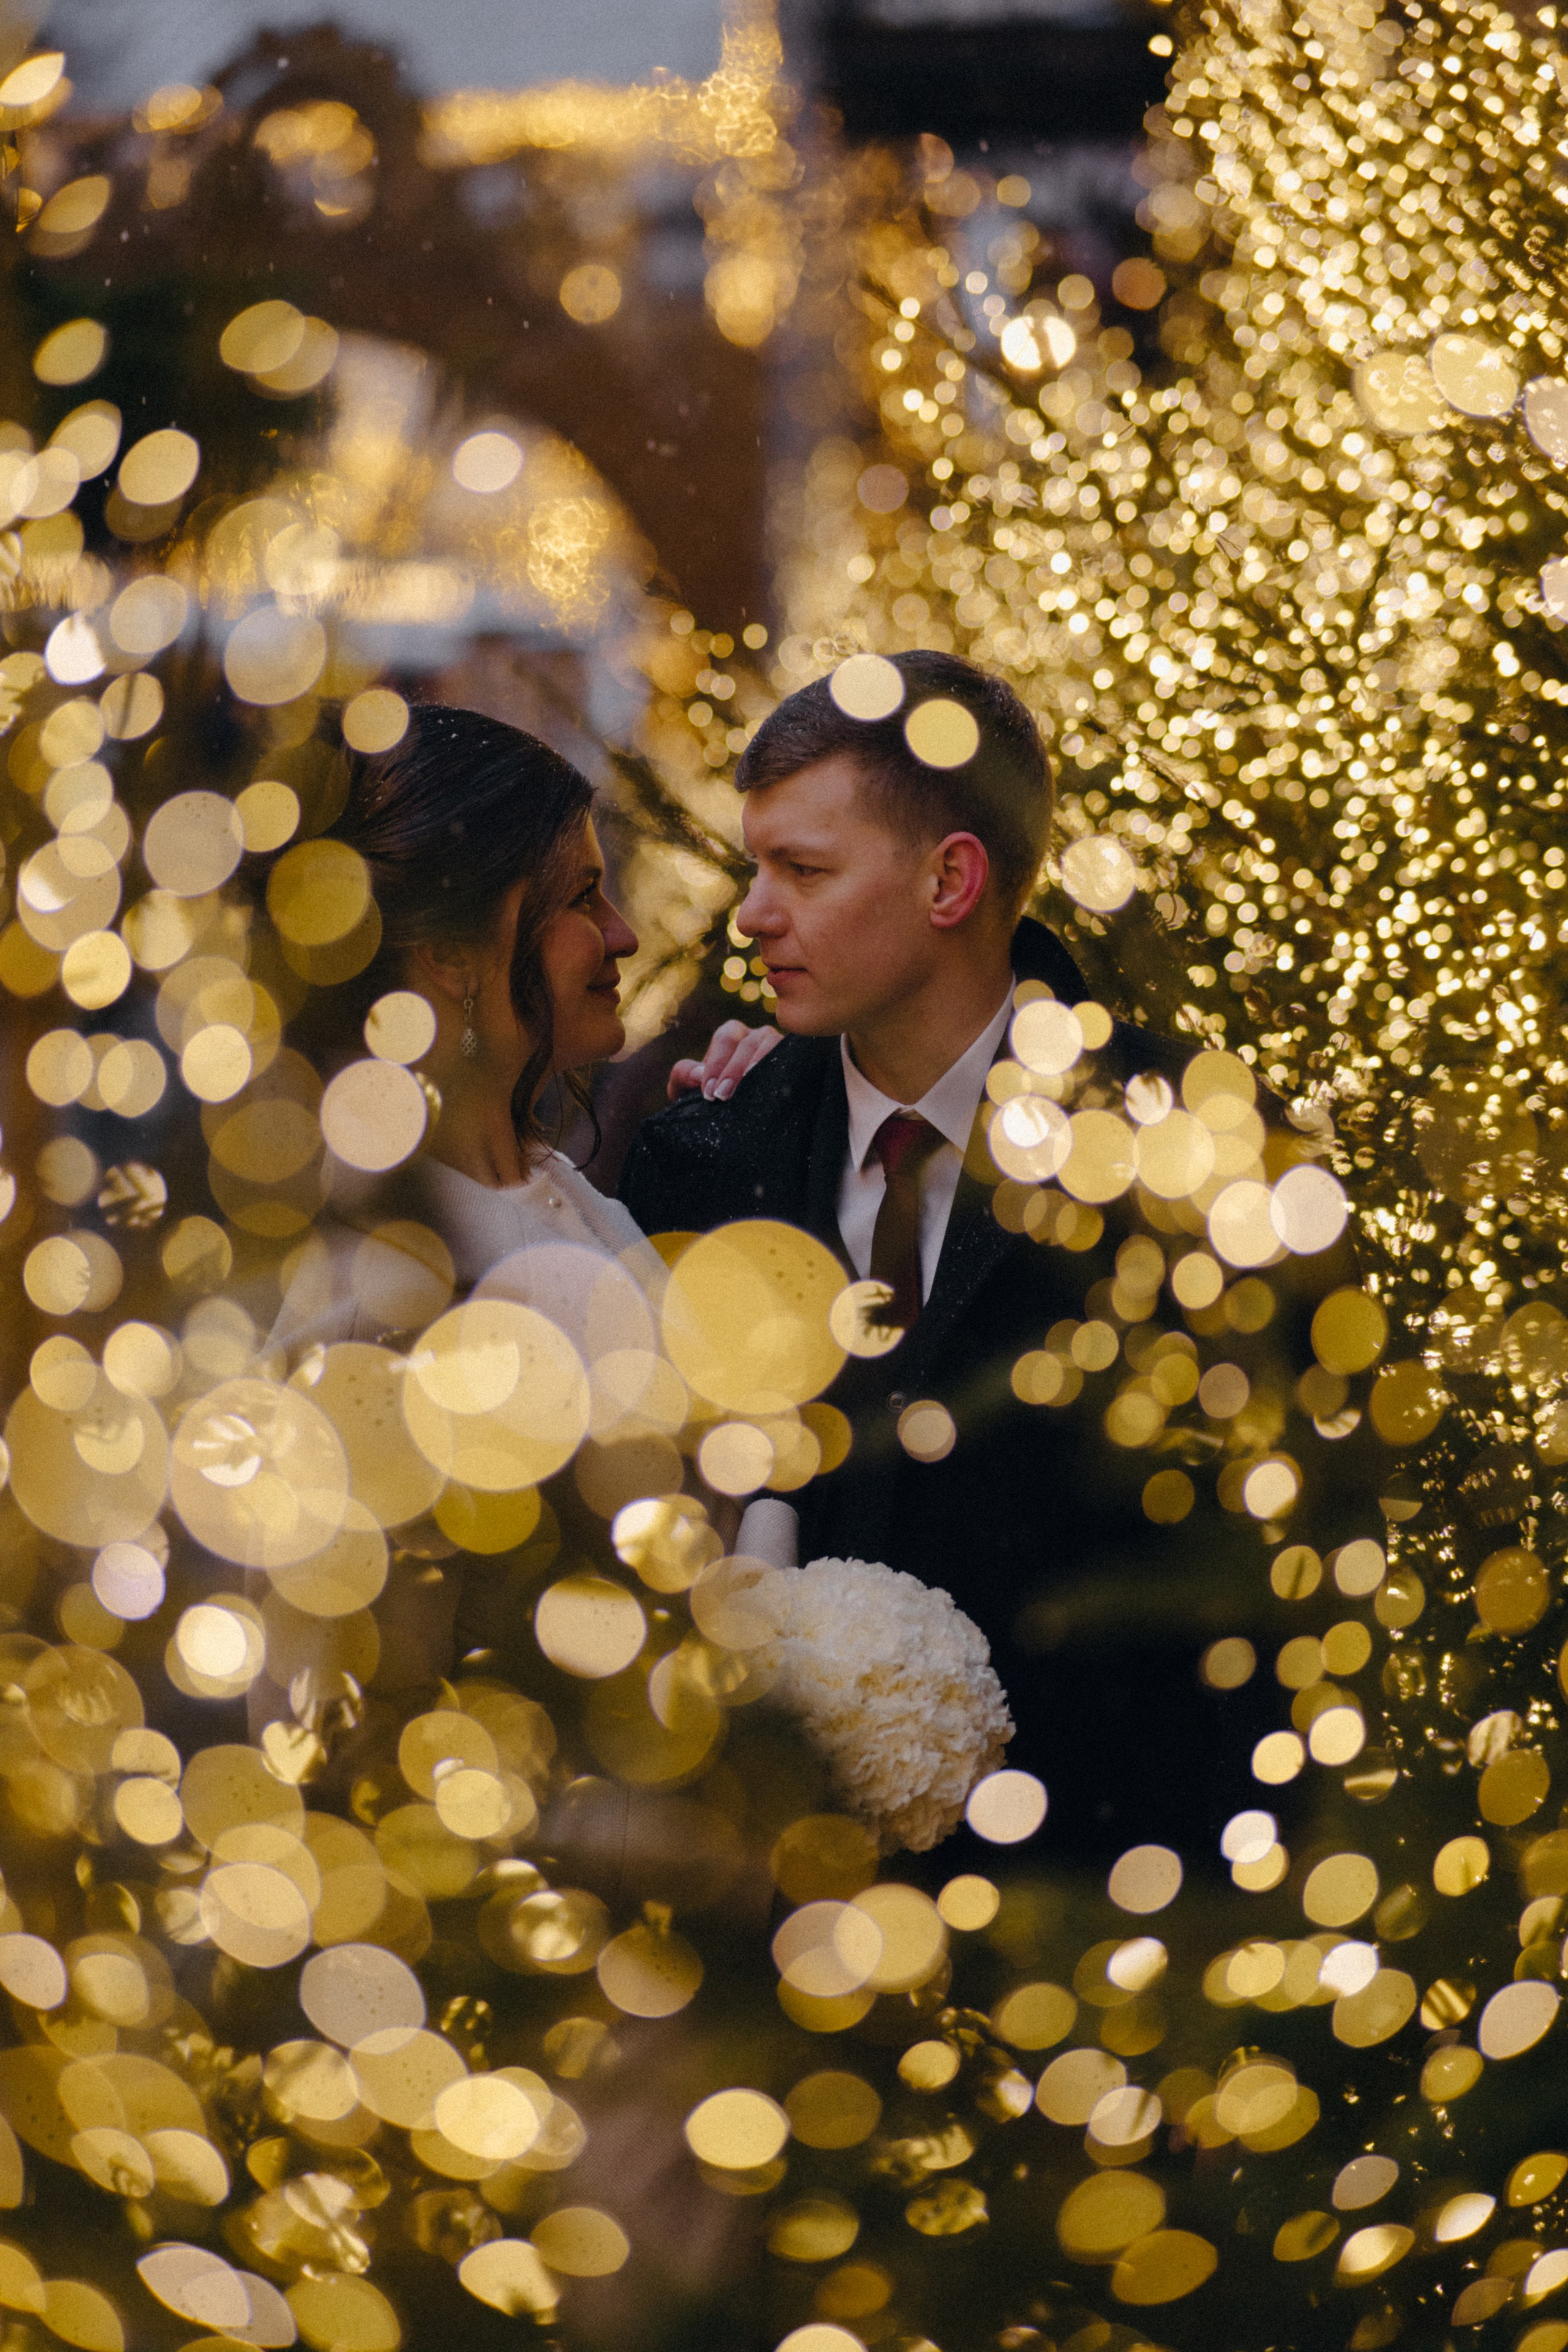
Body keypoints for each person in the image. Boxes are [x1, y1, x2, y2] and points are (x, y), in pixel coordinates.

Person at [619, 650, 1360, 1865]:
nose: (752, 915)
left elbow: (1276, 1570)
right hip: (764, 1924)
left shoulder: (1193, 1156)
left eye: (800, 870)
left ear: (948, 879)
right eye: (756, 866)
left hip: (1111, 1895)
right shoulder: (699, 1157)